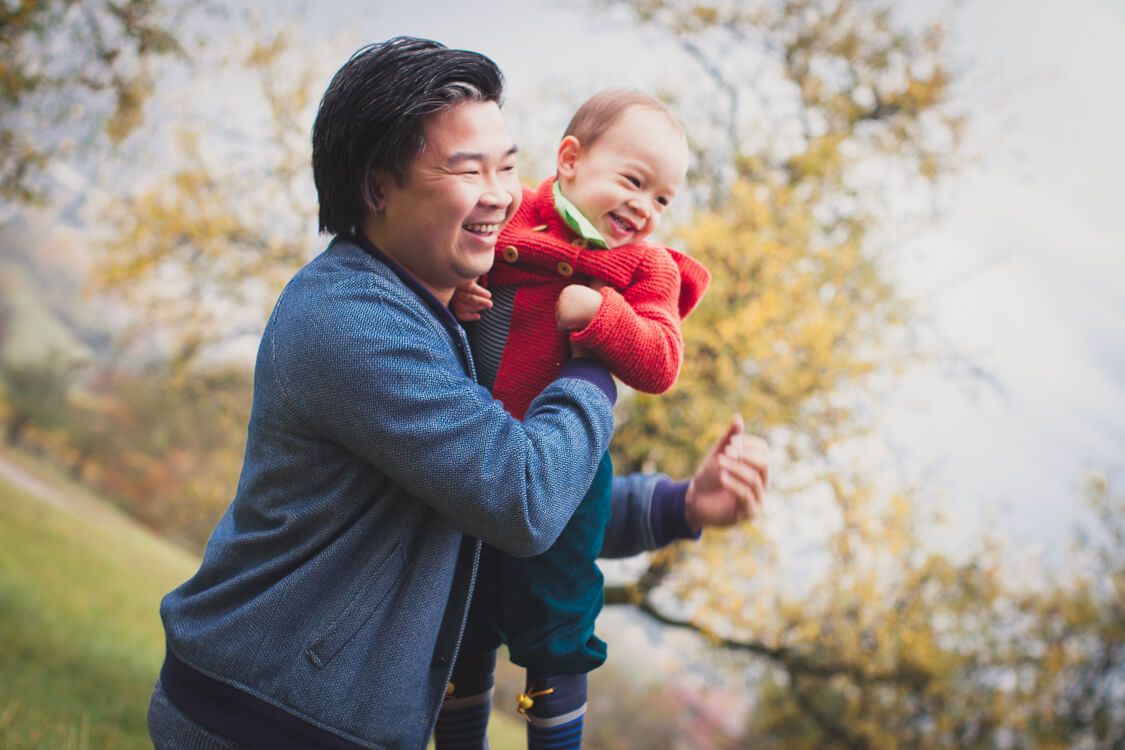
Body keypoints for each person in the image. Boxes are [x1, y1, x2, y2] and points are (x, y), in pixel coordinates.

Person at [146, 36, 769, 750]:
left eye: (506, 165)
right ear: (377, 187)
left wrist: (682, 504)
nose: (501, 194)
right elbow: (522, 496)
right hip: (266, 716)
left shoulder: (452, 317)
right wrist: (602, 345)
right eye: (467, 169)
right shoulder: (353, 321)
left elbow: (535, 495)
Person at [441, 89, 709, 750]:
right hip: (473, 457)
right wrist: (457, 286)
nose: (644, 207)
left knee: (554, 623)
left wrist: (601, 316)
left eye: (662, 198)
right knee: (459, 620)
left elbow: (660, 360)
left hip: (566, 481)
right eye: (632, 180)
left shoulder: (644, 267)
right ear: (569, 161)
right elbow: (444, 260)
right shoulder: (511, 217)